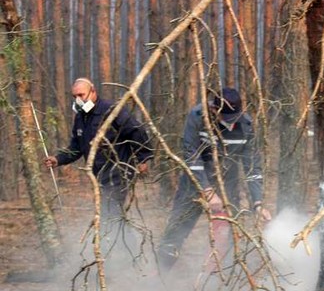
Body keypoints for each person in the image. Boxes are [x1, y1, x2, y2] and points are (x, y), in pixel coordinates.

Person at [157, 87, 271, 273]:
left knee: (225, 238)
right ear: (213, 110)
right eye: (225, 119)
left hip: (228, 187)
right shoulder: (197, 117)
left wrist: (258, 203)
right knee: (176, 232)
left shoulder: (246, 126)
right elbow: (191, 155)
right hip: (194, 185)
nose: (230, 124)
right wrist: (208, 192)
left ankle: (218, 278)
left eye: (233, 119)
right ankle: (159, 274)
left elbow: (252, 167)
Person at [44, 78, 153, 254]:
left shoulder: (111, 111)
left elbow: (136, 130)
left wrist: (143, 158)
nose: (78, 100)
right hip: (100, 176)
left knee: (111, 214)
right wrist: (58, 159)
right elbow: (77, 147)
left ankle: (126, 257)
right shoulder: (80, 117)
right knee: (112, 215)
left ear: (93, 92)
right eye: (75, 96)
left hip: (119, 172)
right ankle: (124, 256)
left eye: (81, 95)